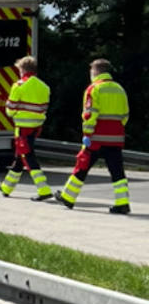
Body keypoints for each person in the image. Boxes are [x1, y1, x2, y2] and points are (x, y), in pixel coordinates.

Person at [55, 59, 132, 214]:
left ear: (95, 72)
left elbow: (90, 115)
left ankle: (68, 197)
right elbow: (125, 116)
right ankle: (123, 203)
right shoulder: (119, 89)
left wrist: (87, 134)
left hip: (96, 138)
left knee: (82, 166)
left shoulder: (94, 89)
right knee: (117, 171)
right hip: (116, 138)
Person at [0, 56, 52, 201]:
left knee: (28, 157)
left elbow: (10, 109)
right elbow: (43, 108)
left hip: (23, 127)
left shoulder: (19, 85)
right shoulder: (44, 86)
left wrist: (14, 112)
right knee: (19, 158)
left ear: (22, 70)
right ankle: (6, 186)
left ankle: (44, 189)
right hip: (36, 127)